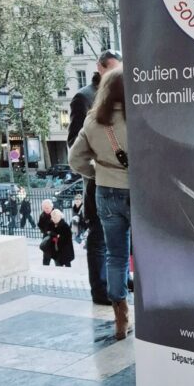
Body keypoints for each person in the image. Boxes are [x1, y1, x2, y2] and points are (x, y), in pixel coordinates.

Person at [69, 65, 131, 339]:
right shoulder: (141, 117)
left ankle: (120, 318)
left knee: (115, 255)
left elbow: (74, 160)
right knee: (147, 255)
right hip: (138, 192)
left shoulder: (93, 121)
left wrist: (98, 173)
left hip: (106, 191)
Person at [68, 49, 122, 306]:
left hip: (111, 183)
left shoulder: (120, 101)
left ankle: (116, 285)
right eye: (113, 68)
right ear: (100, 68)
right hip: (98, 184)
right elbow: (75, 147)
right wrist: (98, 172)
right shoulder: (84, 98)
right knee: (99, 238)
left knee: (117, 245)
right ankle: (101, 290)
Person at [38, 199, 56, 266]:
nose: (46, 209)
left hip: (55, 237)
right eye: (45, 208)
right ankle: (45, 267)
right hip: (46, 237)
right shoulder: (42, 215)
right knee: (46, 254)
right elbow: (40, 225)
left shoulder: (56, 213)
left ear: (51, 207)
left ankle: (60, 268)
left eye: (48, 208)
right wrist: (44, 231)